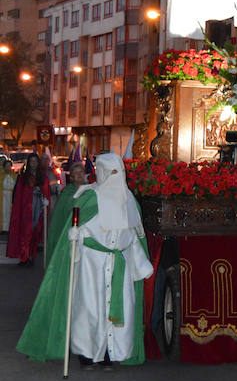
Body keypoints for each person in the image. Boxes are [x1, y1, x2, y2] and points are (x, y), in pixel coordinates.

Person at [17, 153, 154, 369]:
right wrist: (75, 237)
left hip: (120, 266)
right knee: (90, 308)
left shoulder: (130, 201)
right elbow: (75, 228)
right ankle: (88, 353)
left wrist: (140, 262)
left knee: (121, 309)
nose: (114, 177)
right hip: (92, 264)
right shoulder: (89, 197)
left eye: (118, 172)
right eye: (110, 172)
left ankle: (112, 352)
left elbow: (135, 236)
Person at [6, 153, 51, 265]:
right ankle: (24, 257)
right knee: (25, 232)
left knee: (34, 232)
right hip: (26, 209)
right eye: (32, 161)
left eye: (36, 161)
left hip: (38, 208)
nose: (34, 164)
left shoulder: (42, 177)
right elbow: (19, 195)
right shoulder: (23, 177)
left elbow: (46, 192)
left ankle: (31, 256)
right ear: (28, 163)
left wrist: (45, 200)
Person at [46, 161, 86, 262]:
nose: (79, 175)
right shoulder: (67, 193)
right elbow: (60, 214)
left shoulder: (91, 190)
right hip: (69, 231)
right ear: (71, 177)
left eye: (81, 172)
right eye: (76, 173)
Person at [0, 158, 17, 232]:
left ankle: (10, 228)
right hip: (3, 196)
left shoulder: (14, 176)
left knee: (10, 212)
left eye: (9, 166)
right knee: (3, 212)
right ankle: (3, 228)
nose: (8, 167)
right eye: (6, 166)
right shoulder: (1, 176)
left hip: (11, 196)